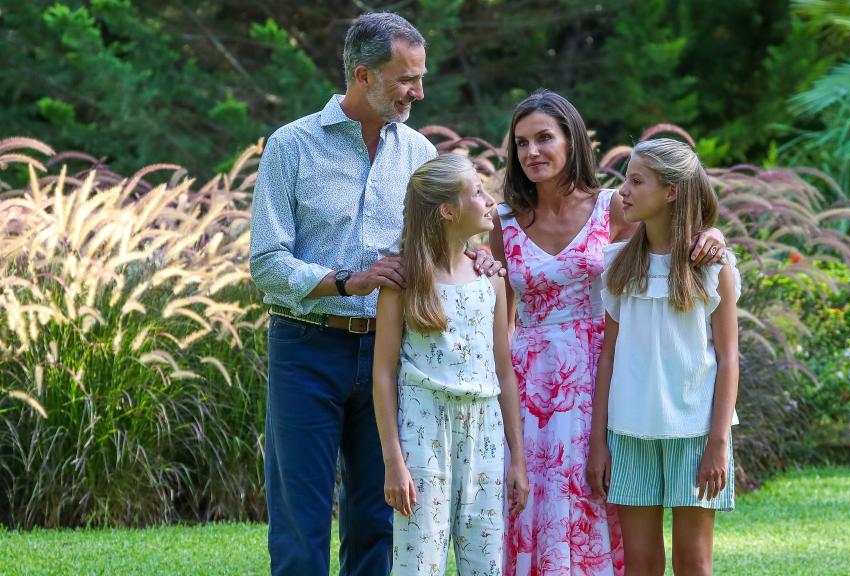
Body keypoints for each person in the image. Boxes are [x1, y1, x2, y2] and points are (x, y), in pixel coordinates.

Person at [249, 12, 498, 576]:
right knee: (300, 521)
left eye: (421, 77)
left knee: (378, 523)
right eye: (406, 79)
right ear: (363, 75)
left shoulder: (419, 153)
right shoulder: (291, 146)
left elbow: (440, 238)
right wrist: (349, 280)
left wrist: (473, 254)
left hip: (394, 354)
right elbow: (267, 262)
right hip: (306, 349)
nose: (419, 91)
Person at [488, 90, 726, 576]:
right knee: (534, 511)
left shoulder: (612, 207)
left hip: (606, 379)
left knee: (602, 506)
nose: (532, 151)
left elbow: (665, 245)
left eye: (544, 138)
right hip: (531, 385)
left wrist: (713, 234)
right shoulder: (503, 221)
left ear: (571, 140)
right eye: (521, 143)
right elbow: (499, 317)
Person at [587, 138, 740, 576]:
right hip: (628, 432)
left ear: (671, 192)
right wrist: (598, 442)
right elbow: (608, 357)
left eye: (637, 181)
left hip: (695, 432)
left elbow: (728, 358)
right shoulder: (617, 265)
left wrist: (718, 442)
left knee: (693, 562)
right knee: (641, 563)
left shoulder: (712, 267)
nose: (624, 191)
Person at [373, 154, 530, 576]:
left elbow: (503, 372)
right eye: (477, 192)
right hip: (424, 432)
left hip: (485, 432)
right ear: (447, 211)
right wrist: (393, 462)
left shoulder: (490, 278)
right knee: (418, 561)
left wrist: (517, 458)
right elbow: (383, 374)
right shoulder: (403, 282)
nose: (489, 200)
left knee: (485, 561)